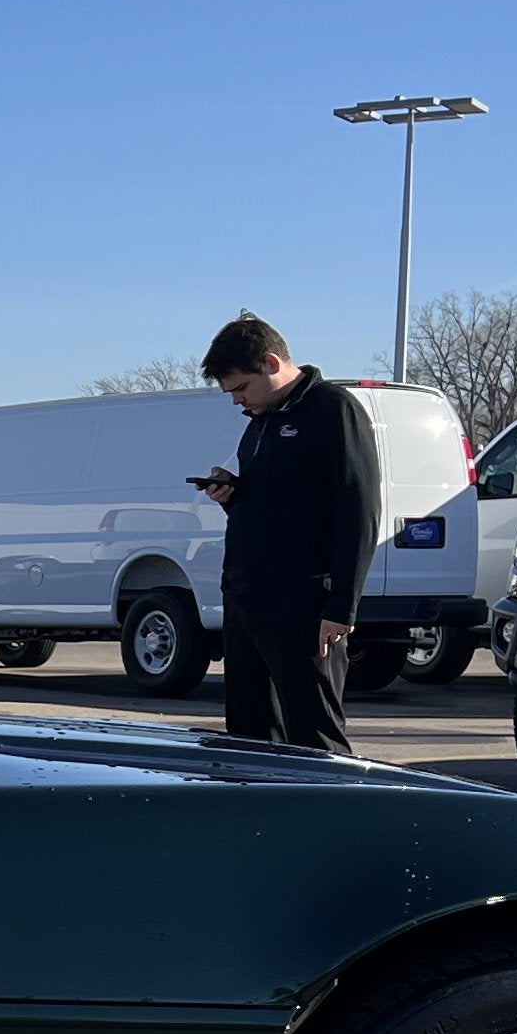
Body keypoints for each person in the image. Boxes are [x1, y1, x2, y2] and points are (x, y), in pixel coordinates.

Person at [193, 312, 377, 754]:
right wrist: (233, 496)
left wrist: (341, 606)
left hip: (306, 605)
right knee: (249, 735)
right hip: (247, 600)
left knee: (314, 735)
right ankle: (259, 819)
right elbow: (279, 505)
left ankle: (331, 818)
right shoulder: (260, 422)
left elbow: (359, 508)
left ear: (272, 364)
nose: (237, 401)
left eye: (241, 388)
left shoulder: (334, 410)